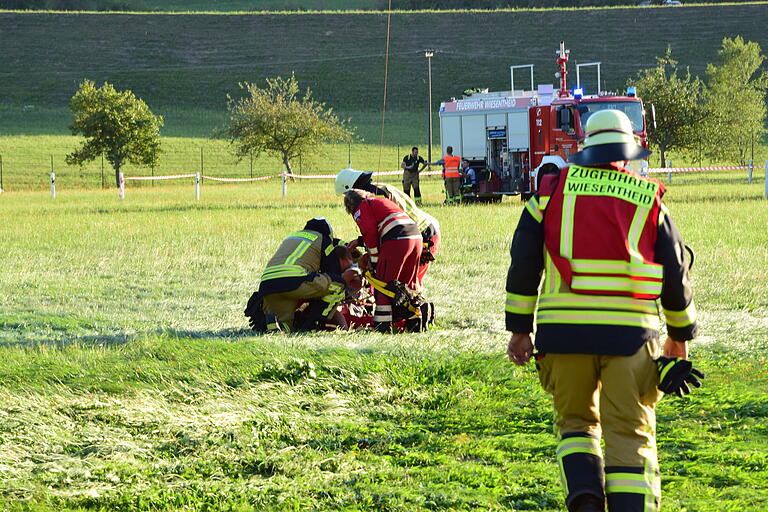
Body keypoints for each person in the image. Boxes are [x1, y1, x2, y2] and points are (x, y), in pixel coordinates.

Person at [505, 110, 699, 512]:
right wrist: (680, 336)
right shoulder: (648, 199)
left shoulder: (549, 195)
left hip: (562, 336)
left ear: (585, 150)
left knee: (576, 427)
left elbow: (524, 262)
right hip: (632, 338)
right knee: (629, 433)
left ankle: (586, 501)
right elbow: (676, 272)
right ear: (627, 155)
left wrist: (520, 329)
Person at [335, 168, 440, 290]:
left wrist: (373, 258)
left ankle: (416, 307)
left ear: (350, 187)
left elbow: (381, 228)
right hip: (416, 232)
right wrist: (360, 241)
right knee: (402, 283)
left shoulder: (373, 194)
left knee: (409, 285)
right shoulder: (376, 188)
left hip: (423, 233)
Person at [244, 218, 350, 332]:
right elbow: (332, 271)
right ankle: (314, 324)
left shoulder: (293, 237)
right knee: (339, 284)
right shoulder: (322, 240)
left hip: (268, 285)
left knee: (287, 328)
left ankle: (273, 325)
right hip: (294, 282)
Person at [343, 189, 422, 332]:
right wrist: (360, 241)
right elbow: (382, 225)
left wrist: (374, 261)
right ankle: (414, 322)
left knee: (382, 285)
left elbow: (371, 232)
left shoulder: (360, 208)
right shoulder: (380, 201)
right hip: (416, 237)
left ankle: (383, 327)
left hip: (396, 241)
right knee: (407, 284)